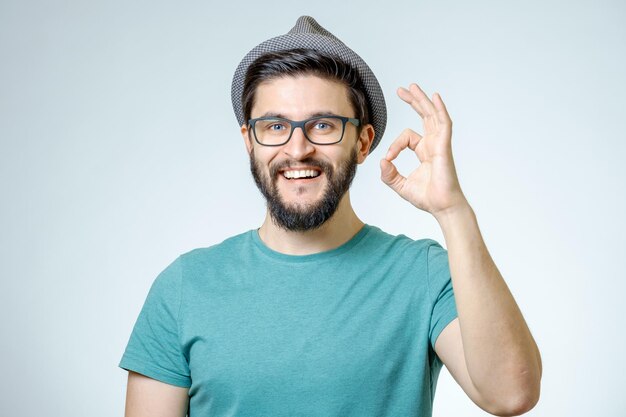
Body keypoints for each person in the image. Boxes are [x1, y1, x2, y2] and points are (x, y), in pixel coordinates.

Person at [119, 16, 542, 417]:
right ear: (250, 141)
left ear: (362, 142)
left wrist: (453, 211)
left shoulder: (422, 273)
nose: (298, 148)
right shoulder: (184, 286)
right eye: (275, 126)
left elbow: (510, 393)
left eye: (323, 126)